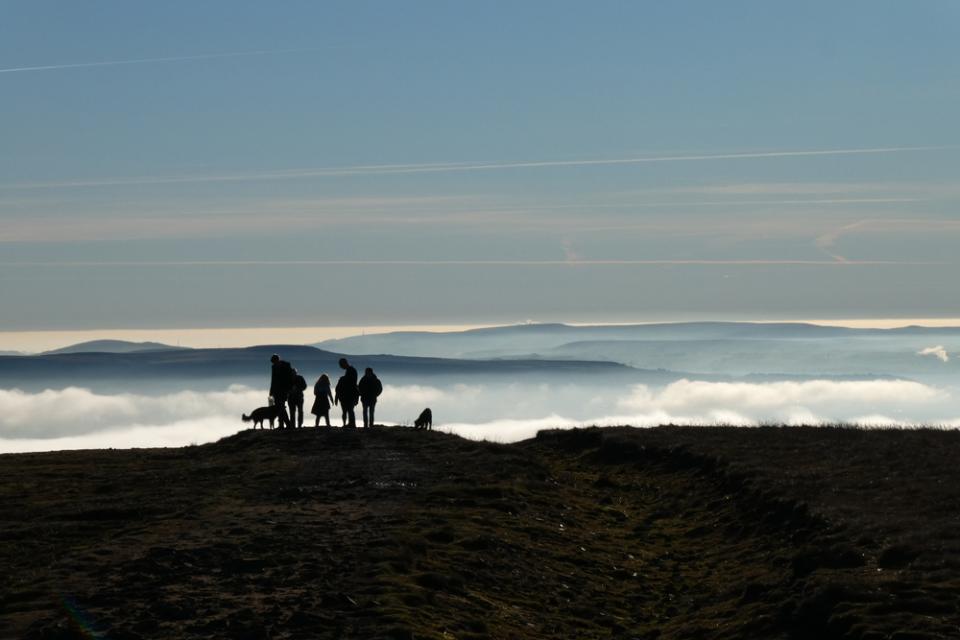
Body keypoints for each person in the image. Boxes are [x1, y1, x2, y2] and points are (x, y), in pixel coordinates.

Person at [269, 354, 294, 429]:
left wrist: (289, 388)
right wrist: (271, 391)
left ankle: (286, 424)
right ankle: (283, 425)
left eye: (274, 362)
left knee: (280, 407)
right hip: (277, 390)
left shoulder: (286, 365)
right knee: (279, 407)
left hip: (283, 390)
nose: (274, 363)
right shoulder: (274, 367)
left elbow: (290, 377)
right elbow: (273, 380)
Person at [334, 357, 359, 428]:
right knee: (349, 410)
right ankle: (350, 424)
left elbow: (351, 383)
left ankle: (351, 424)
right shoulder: (351, 370)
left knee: (349, 410)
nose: (340, 367)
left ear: (344, 363)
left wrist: (342, 379)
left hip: (349, 394)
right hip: (350, 394)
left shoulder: (350, 371)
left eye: (341, 365)